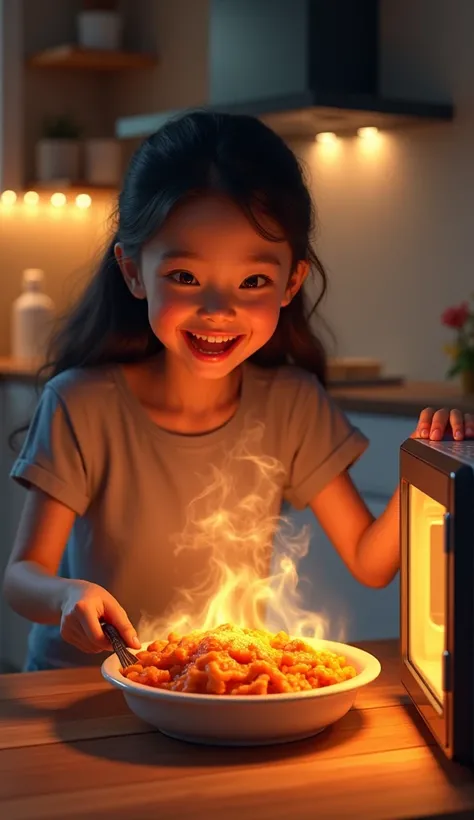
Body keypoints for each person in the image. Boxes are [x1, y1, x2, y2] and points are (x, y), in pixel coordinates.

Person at [3, 111, 472, 671]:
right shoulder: (79, 404)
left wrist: (427, 454)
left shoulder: (292, 405)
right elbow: (21, 577)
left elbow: (372, 564)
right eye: (184, 277)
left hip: (217, 690)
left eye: (252, 281)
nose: (218, 310)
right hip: (81, 692)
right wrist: (64, 596)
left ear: (290, 283)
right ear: (132, 272)